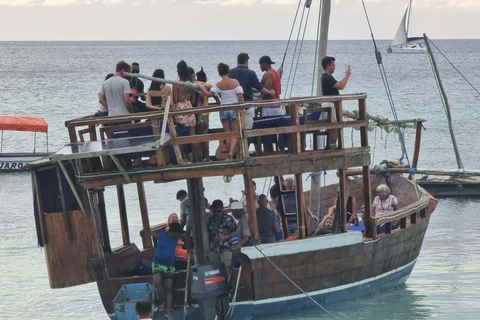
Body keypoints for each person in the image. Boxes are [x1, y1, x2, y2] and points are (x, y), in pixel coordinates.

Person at [199, 63, 244, 160]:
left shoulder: (219, 84)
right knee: (235, 133)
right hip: (234, 108)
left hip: (223, 109)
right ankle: (232, 153)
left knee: (227, 133)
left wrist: (200, 86)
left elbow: (208, 94)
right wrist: (242, 107)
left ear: (219, 73)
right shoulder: (235, 82)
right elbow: (240, 96)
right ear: (228, 71)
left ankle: (229, 156)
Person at [229, 53, 276, 129]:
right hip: (247, 105)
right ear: (246, 61)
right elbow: (260, 88)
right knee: (248, 130)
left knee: (235, 130)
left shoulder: (230, 72)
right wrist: (270, 92)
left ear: (237, 61)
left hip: (234, 105)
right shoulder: (251, 73)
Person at [152, 221, 184, 320]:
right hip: (157, 263)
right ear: (172, 231)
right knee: (157, 279)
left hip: (169, 265)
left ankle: (168, 312)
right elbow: (152, 234)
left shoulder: (176, 238)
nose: (180, 234)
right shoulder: (161, 235)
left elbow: (185, 234)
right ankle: (162, 300)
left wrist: (189, 247)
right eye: (178, 232)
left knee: (169, 285)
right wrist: (155, 245)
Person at [320, 56, 351, 149]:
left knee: (334, 126)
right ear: (328, 66)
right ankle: (332, 145)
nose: (334, 67)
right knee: (334, 126)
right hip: (330, 104)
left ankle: (331, 145)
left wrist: (344, 78)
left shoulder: (327, 77)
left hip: (330, 104)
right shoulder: (326, 77)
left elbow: (338, 84)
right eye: (333, 65)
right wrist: (347, 76)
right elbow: (341, 86)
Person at [173, 60, 198, 163]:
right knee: (193, 134)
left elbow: (175, 100)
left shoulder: (176, 84)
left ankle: (184, 159)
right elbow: (193, 100)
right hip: (189, 106)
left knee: (180, 134)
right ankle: (195, 159)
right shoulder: (190, 84)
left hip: (180, 107)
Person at [207, 199, 237, 278]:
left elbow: (237, 231)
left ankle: (228, 286)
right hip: (214, 249)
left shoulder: (228, 219)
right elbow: (209, 232)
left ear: (222, 210)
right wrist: (211, 241)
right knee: (214, 268)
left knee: (226, 267)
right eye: (215, 211)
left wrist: (226, 236)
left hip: (226, 247)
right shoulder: (210, 219)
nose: (216, 213)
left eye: (219, 211)